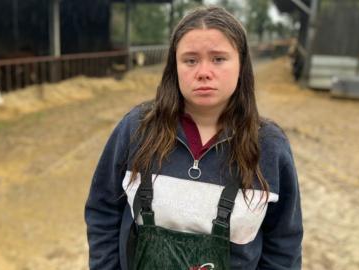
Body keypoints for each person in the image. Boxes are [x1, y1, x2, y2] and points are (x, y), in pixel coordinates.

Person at [85, 6, 302, 270]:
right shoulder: (136, 129)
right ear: (174, 66)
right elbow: (103, 210)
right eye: (190, 60)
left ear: (242, 64)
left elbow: (283, 244)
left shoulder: (269, 147)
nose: (203, 72)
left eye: (219, 59)